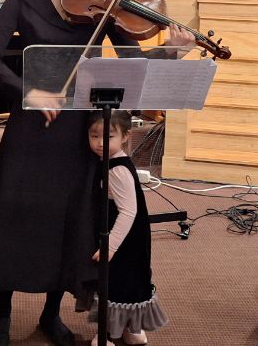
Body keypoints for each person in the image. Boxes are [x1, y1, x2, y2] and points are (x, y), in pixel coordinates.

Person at [0, 0, 194, 346]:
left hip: (80, 130)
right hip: (32, 127)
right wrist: (28, 92)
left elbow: (132, 61)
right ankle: (2, 314)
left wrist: (172, 52)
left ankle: (51, 315)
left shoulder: (104, 2)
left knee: (69, 220)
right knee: (18, 216)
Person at [84, 109, 168, 346]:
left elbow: (128, 211)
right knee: (129, 281)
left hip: (122, 238)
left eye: (108, 137)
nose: (100, 143)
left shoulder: (117, 169)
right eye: (94, 136)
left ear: (125, 136)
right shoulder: (112, 161)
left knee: (117, 283)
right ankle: (131, 329)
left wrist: (110, 245)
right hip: (130, 235)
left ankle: (108, 334)